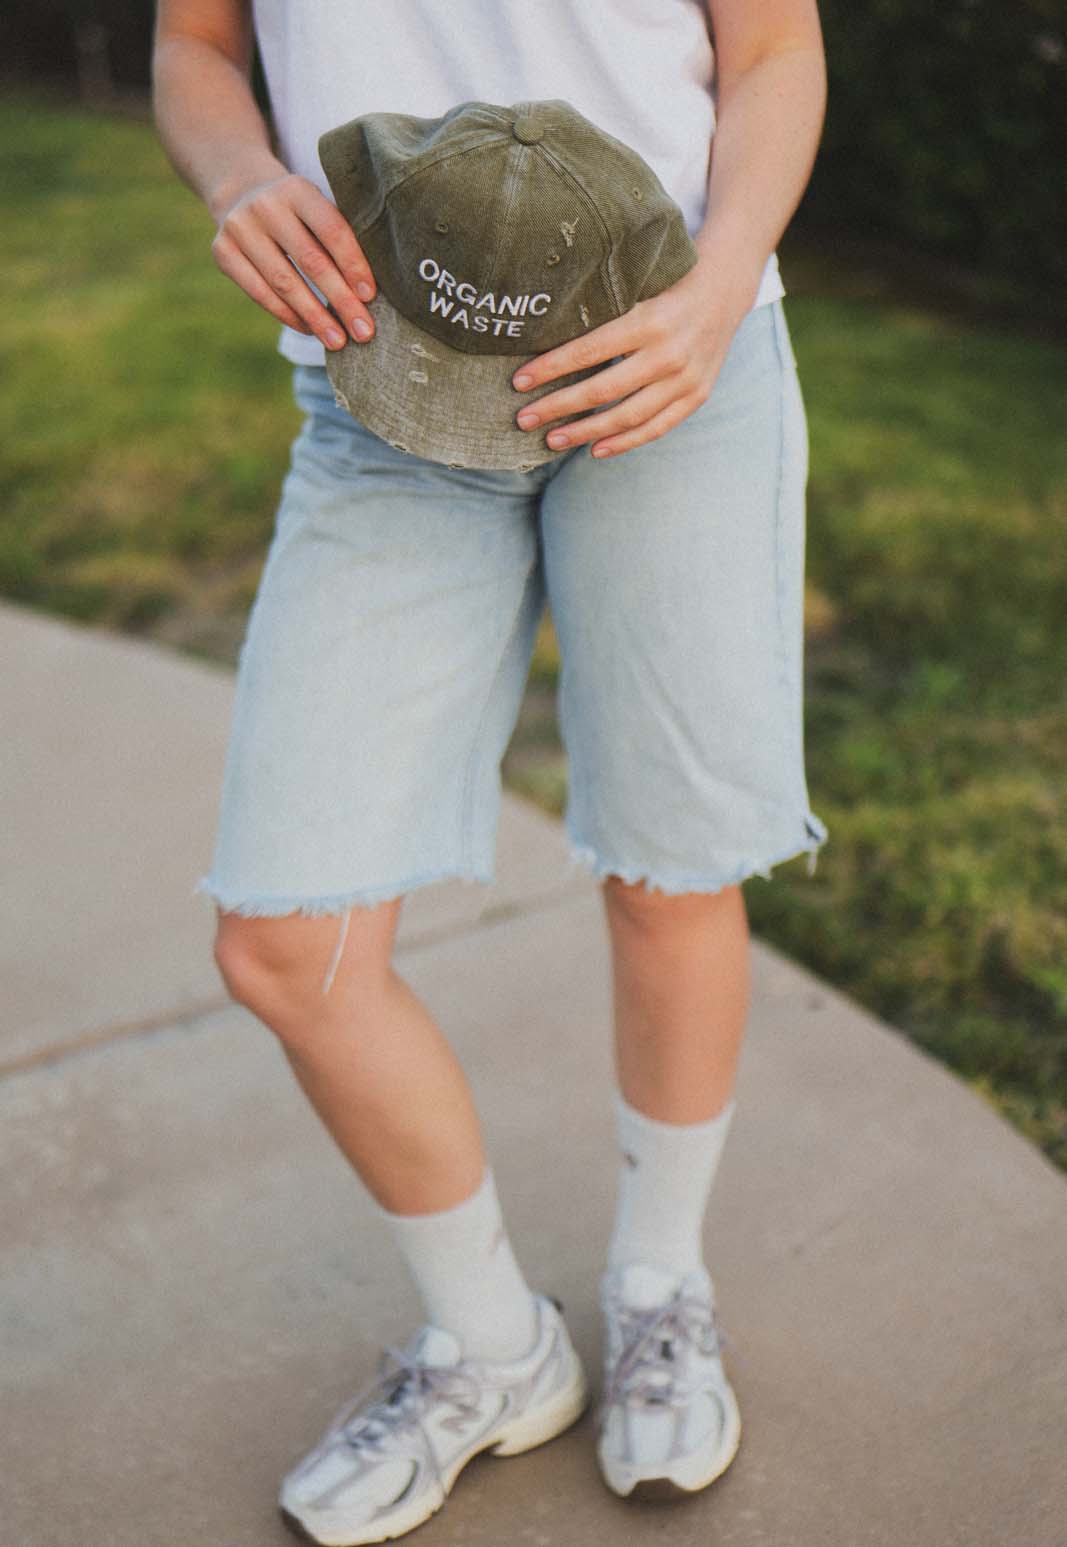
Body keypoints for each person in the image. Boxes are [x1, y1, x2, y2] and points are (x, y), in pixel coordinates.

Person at [152, 0, 828, 1540]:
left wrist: (721, 290)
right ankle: (492, 1346)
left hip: (671, 353)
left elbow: (776, 51)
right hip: (384, 368)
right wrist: (239, 176)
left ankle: (660, 1284)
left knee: (672, 875)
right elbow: (193, 46)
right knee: (280, 937)